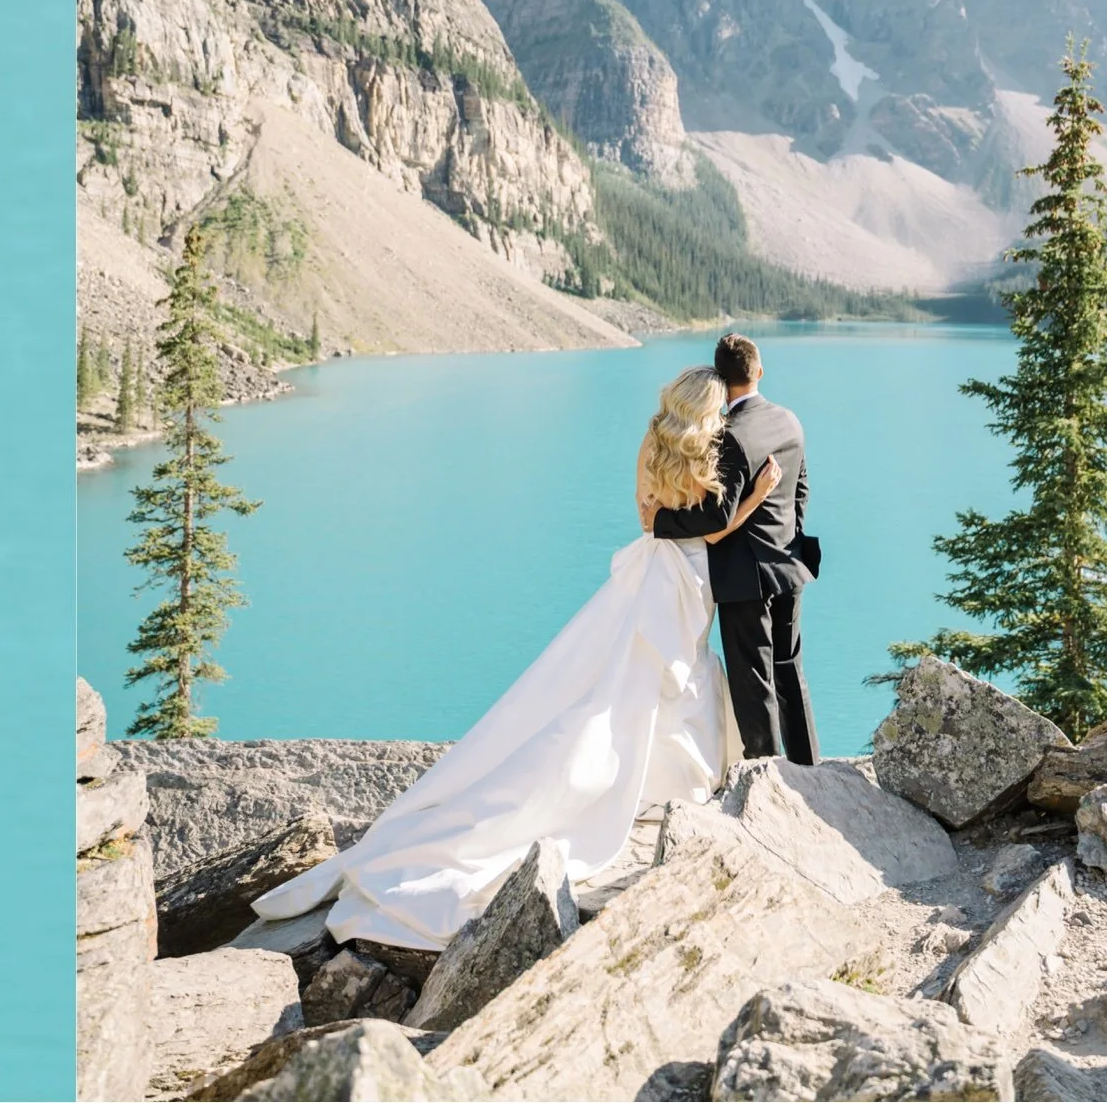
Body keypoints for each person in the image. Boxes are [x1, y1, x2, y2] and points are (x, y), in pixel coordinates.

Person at [250, 366, 779, 951]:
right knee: (676, 676)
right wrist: (756, 495)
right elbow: (713, 530)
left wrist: (671, 519)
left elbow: (646, 519)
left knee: (624, 675)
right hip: (690, 578)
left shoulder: (653, 442)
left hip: (651, 570)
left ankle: (650, 777)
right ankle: (673, 782)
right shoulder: (711, 451)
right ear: (710, 410)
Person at [652, 332, 818, 765]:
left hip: (745, 577)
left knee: (752, 679)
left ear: (722, 384)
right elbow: (801, 491)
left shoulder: (729, 436)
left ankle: (766, 771)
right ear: (759, 371)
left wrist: (660, 522)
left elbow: (716, 518)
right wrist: (787, 539)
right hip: (790, 565)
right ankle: (807, 766)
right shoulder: (790, 421)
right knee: (789, 668)